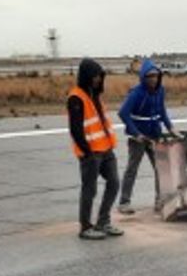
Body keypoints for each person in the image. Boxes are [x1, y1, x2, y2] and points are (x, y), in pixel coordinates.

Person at [68, 58, 123, 240]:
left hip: (106, 149)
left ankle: (103, 222)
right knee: (89, 190)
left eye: (100, 76)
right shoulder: (76, 98)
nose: (98, 79)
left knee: (114, 183)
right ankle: (85, 227)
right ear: (86, 76)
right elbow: (75, 130)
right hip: (90, 153)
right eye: (95, 76)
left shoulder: (95, 95)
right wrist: (87, 152)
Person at [117, 58, 175, 214]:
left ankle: (160, 201)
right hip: (139, 138)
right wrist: (136, 133)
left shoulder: (160, 91)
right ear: (143, 77)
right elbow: (123, 113)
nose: (153, 79)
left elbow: (162, 111)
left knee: (160, 168)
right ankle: (124, 203)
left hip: (155, 135)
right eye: (150, 76)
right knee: (132, 169)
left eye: (156, 76)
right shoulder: (136, 93)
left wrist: (170, 128)